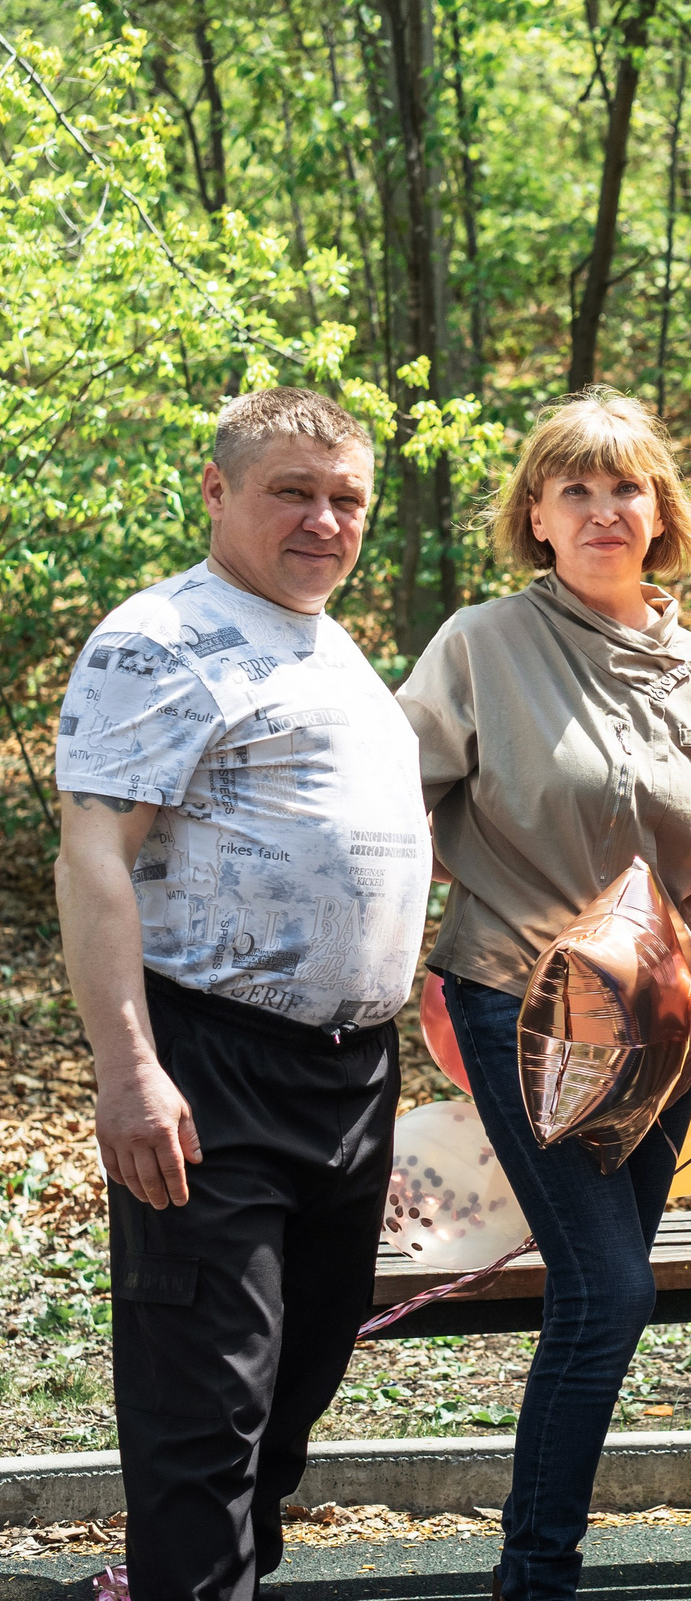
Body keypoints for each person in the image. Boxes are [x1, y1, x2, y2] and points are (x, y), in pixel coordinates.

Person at [54, 388, 432, 1601]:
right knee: (204, 1411)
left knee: (290, 1395)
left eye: (346, 500)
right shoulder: (156, 639)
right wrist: (129, 1071)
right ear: (216, 493)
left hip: (349, 1080)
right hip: (212, 1068)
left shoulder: (328, 641)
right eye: (292, 493)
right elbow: (94, 857)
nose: (325, 522)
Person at [396, 389, 691, 1600]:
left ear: (659, 511)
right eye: (576, 490)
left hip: (669, 1035)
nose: (605, 510)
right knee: (610, 1290)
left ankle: (536, 1563)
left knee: (598, 1302)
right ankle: (536, 1576)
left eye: (626, 488)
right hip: (521, 1003)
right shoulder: (482, 645)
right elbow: (390, 813)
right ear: (538, 518)